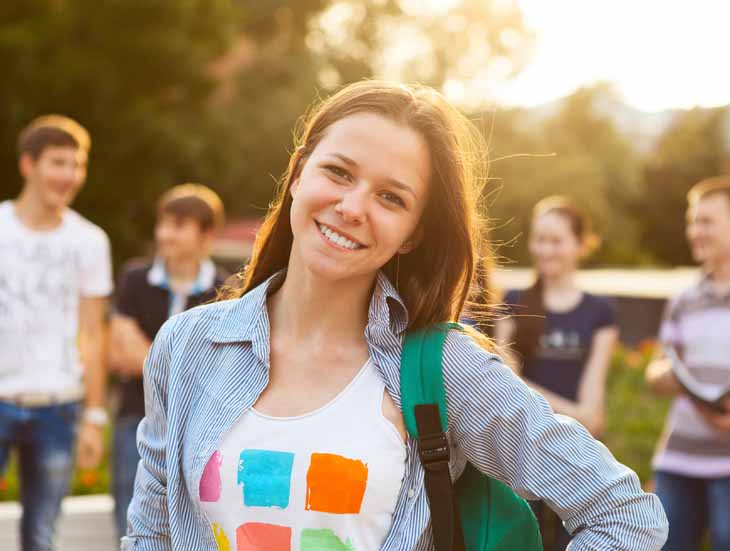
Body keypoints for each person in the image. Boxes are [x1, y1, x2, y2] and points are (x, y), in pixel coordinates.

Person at [123, 81, 667, 551]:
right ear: (298, 173)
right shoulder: (187, 346)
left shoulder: (443, 368)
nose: (353, 207)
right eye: (338, 172)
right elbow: (152, 535)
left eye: (391, 197)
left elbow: (624, 513)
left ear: (414, 235)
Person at [0, 115, 113, 551]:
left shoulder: (89, 241)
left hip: (57, 408)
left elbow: (92, 331)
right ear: (28, 164)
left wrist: (94, 416)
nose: (69, 175)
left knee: (41, 536)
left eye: (77, 165)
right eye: (58, 162)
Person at [494, 196, 619, 550]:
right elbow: (507, 379)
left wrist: (583, 416)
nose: (545, 249)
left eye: (556, 240)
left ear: (581, 245)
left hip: (577, 454)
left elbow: (594, 396)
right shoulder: (514, 301)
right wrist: (575, 413)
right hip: (521, 451)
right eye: (539, 239)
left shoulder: (601, 310)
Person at [107, 183, 228, 538]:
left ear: (206, 235)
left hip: (195, 426)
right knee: (130, 523)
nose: (164, 234)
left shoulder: (226, 290)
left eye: (177, 225)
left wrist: (148, 361)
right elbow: (120, 350)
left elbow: (219, 367)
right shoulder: (134, 278)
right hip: (135, 416)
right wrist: (185, 369)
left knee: (188, 526)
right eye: (162, 224)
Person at [645, 175, 730, 551]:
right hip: (679, 459)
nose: (695, 231)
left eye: (706, 221)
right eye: (692, 221)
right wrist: (670, 376)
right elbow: (658, 370)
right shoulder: (683, 300)